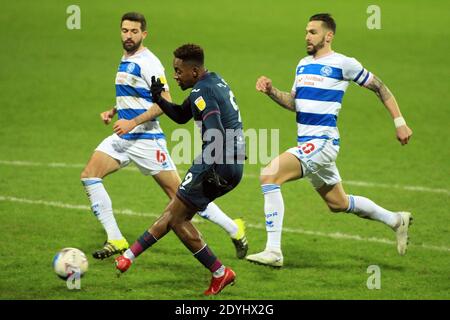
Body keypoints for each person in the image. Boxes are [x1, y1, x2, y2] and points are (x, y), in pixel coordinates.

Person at [246, 13, 413, 268]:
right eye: (306, 32)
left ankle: (274, 251)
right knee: (338, 203)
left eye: (313, 32)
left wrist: (399, 122)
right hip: (307, 144)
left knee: (270, 175)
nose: (307, 37)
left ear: (329, 35)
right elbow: (295, 103)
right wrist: (271, 91)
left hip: (323, 143)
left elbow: (380, 87)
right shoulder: (302, 64)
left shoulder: (344, 63)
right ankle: (396, 220)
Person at [80, 12, 247, 261]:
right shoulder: (127, 59)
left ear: (143, 33)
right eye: (124, 30)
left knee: (180, 198)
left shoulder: (150, 63)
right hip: (123, 139)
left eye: (134, 31)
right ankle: (115, 238)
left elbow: (167, 104)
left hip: (147, 140)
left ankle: (233, 231)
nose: (128, 35)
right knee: (90, 176)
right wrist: (116, 110)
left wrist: (133, 121)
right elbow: (160, 105)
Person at [115, 43, 246, 295]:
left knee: (177, 218)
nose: (174, 76)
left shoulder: (201, 93)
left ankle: (220, 272)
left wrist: (208, 168)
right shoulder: (213, 81)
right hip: (233, 164)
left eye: (178, 71)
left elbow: (216, 132)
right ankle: (128, 257)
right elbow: (182, 115)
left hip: (216, 161)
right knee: (176, 210)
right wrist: (159, 100)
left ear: (194, 71)